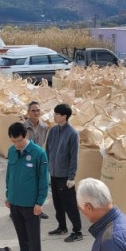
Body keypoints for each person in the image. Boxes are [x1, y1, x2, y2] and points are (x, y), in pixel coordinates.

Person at [5, 121, 49, 251]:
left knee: (33, 239)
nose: (17, 145)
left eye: (19, 141)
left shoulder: (39, 154)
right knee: (22, 237)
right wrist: (8, 195)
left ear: (26, 135)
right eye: (13, 141)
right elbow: (9, 175)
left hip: (31, 205)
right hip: (15, 202)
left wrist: (39, 202)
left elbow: (43, 180)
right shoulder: (12, 151)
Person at [45, 103, 83, 243]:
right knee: (57, 203)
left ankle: (77, 231)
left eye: (57, 114)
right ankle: (62, 227)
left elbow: (74, 157)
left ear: (64, 117)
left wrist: (71, 176)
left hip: (65, 177)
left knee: (70, 205)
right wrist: (46, 167)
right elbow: (48, 150)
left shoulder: (72, 134)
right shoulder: (53, 131)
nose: (54, 116)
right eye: (54, 114)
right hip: (54, 174)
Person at [22, 101, 50, 220]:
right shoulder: (23, 127)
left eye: (38, 110)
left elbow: (44, 143)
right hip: (26, 158)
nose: (36, 112)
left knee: (40, 184)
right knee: (25, 184)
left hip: (38, 158)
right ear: (28, 112)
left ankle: (38, 209)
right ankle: (18, 208)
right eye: (33, 110)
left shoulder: (44, 127)